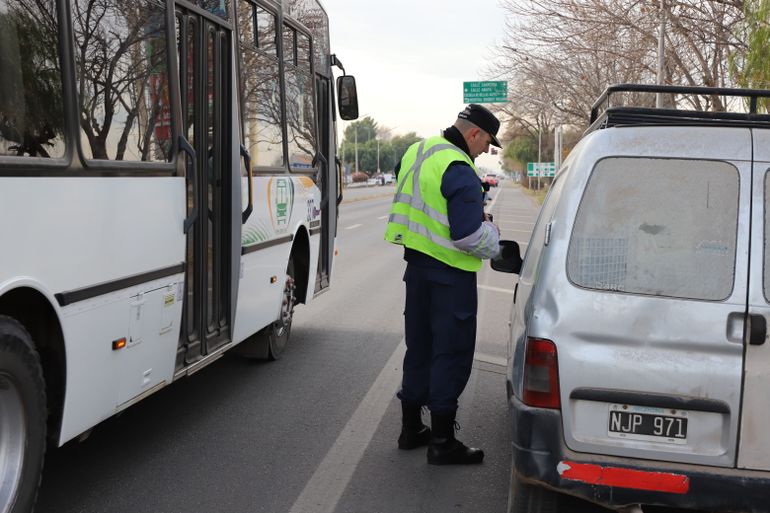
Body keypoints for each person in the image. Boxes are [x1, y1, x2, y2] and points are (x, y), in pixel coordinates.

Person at [384, 104, 502, 465]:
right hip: (450, 277)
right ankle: (442, 442)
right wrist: (494, 238)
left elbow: (423, 200)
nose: (486, 151)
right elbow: (467, 235)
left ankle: (410, 429)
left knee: (419, 347)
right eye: (486, 143)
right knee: (450, 352)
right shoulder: (460, 168)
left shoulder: (417, 151)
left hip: (416, 270)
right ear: (473, 134)